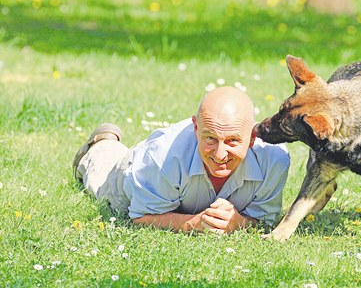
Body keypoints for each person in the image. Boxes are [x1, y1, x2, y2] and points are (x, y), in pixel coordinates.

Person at [73, 86, 290, 234]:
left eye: (233, 141)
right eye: (210, 138)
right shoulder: (160, 157)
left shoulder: (274, 161)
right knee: (101, 179)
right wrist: (192, 224)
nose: (220, 154)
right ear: (196, 128)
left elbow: (265, 221)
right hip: (133, 174)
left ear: (252, 137)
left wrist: (239, 223)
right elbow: (140, 217)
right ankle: (100, 144)